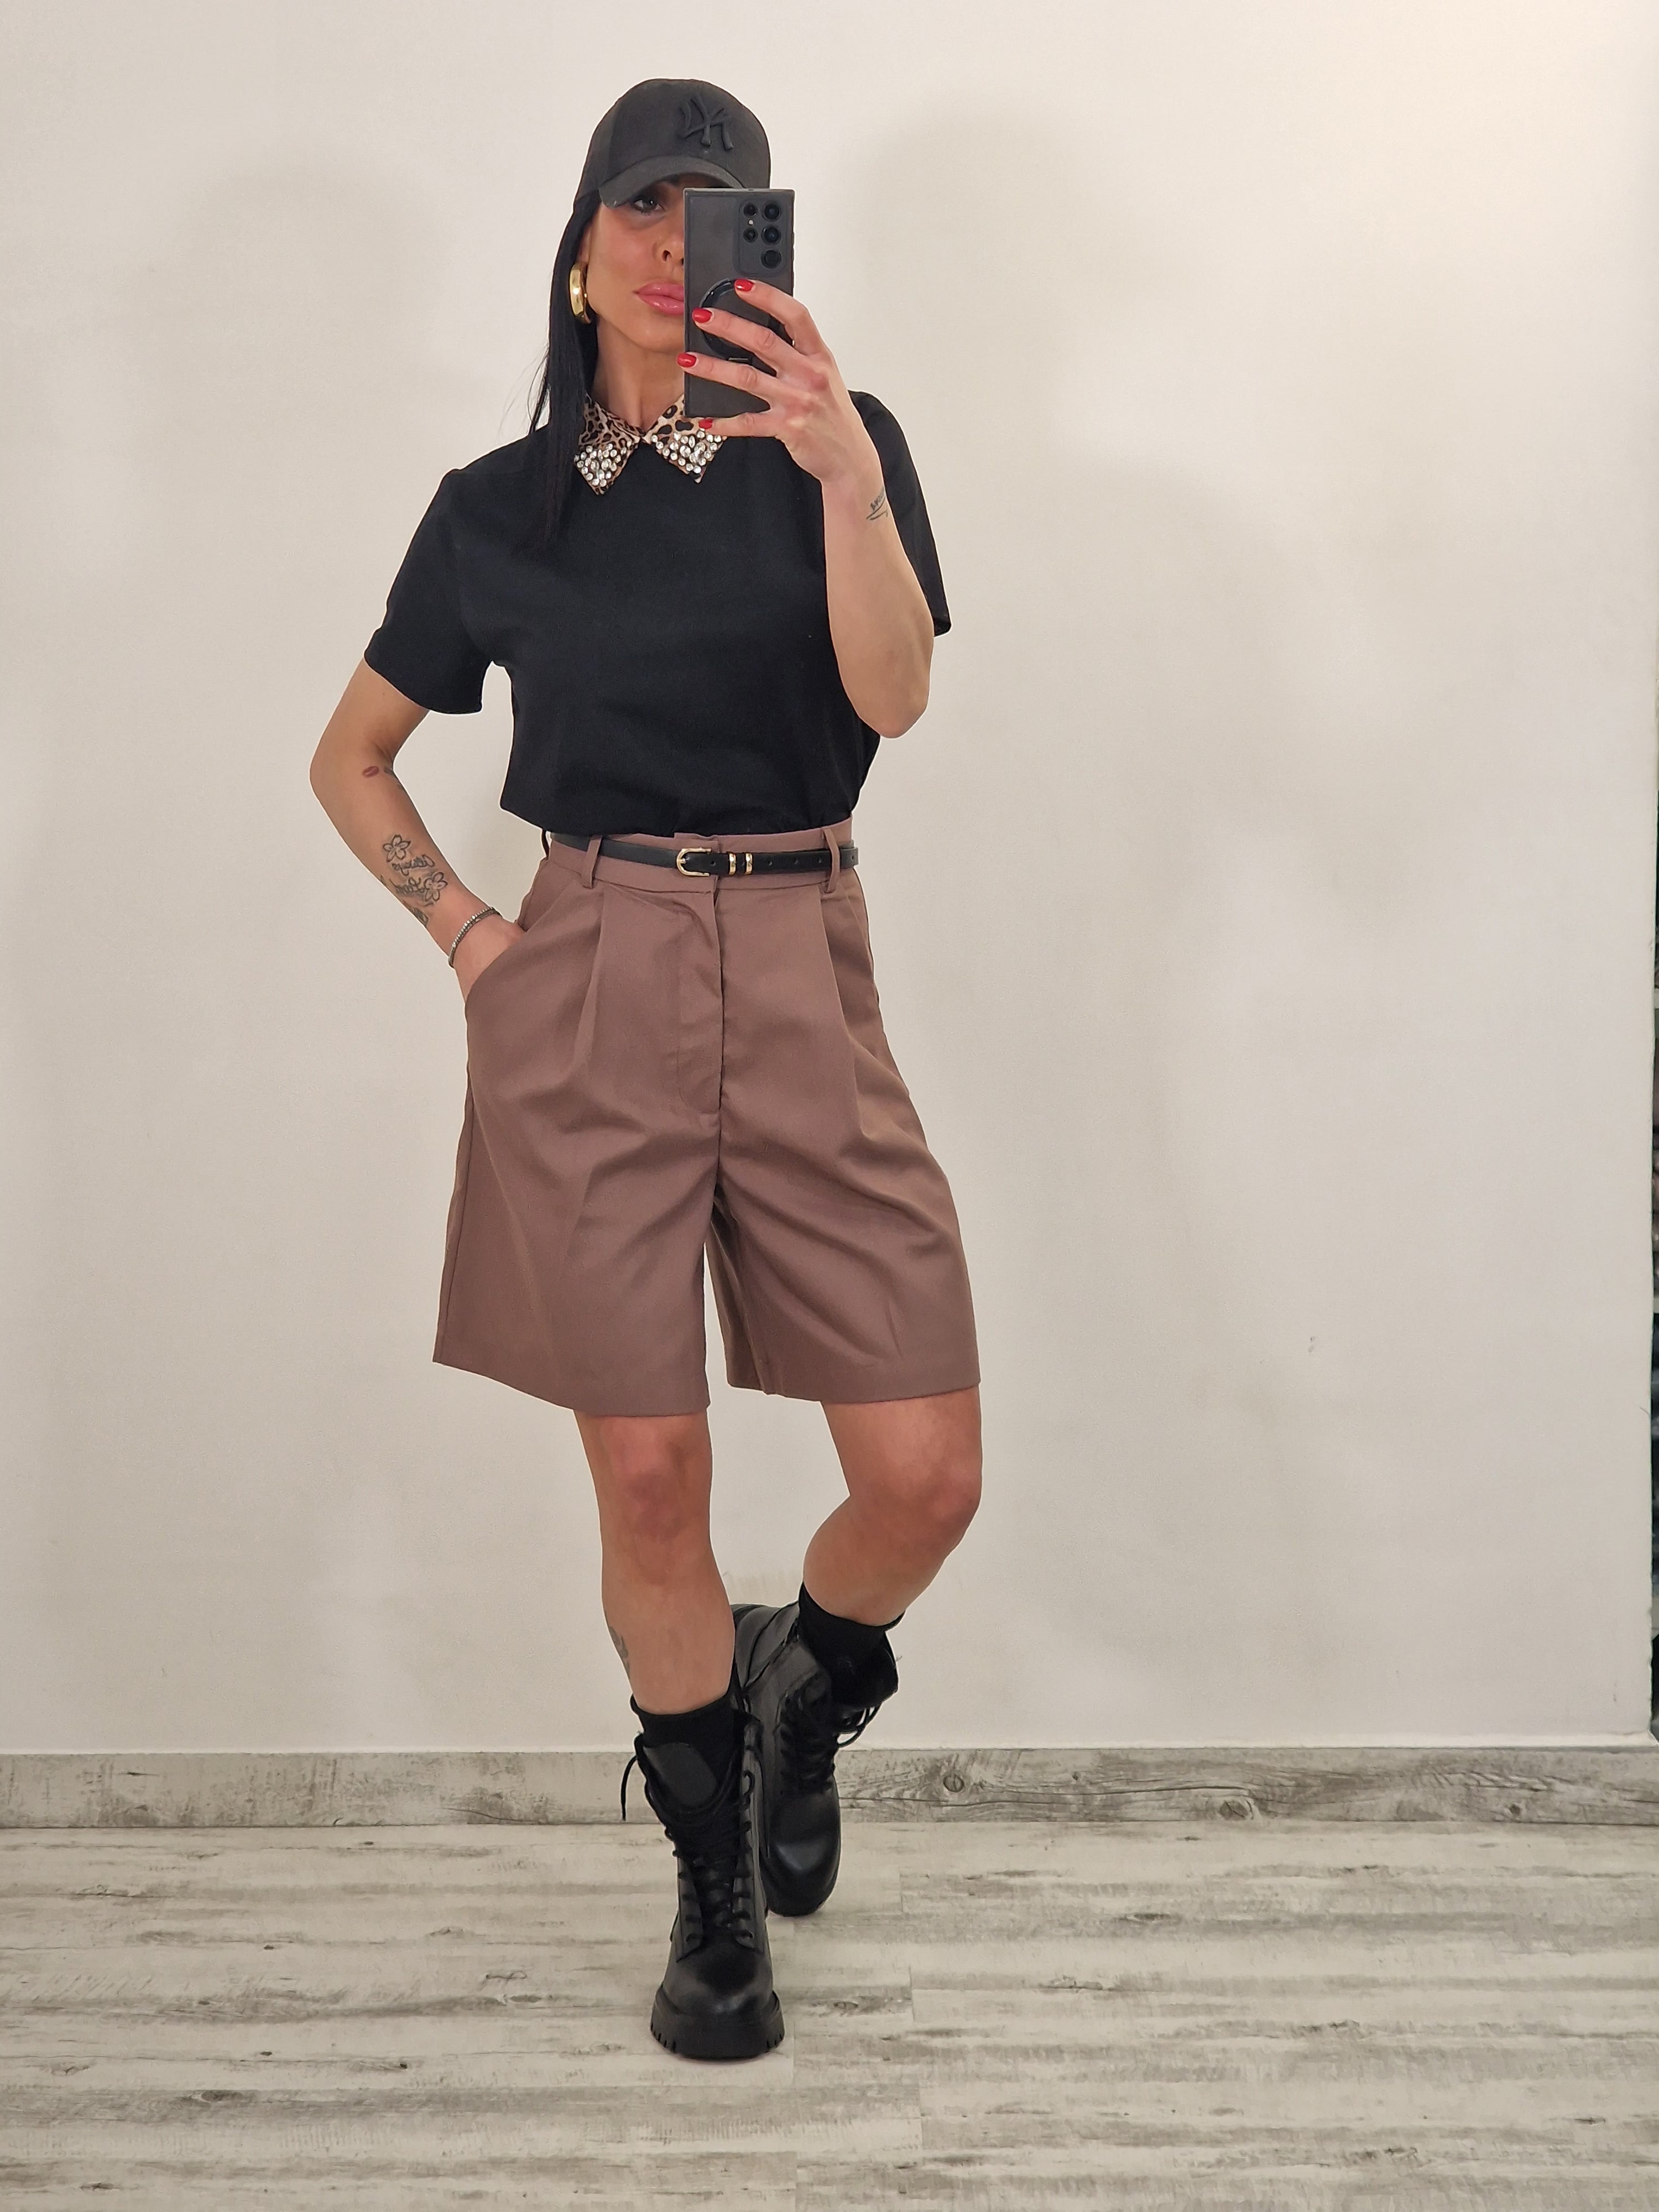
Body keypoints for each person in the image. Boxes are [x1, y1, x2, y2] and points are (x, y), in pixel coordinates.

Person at [309, 78, 983, 2062]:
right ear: (584, 249)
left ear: (761, 247)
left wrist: (848, 479)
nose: (677, 245)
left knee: (926, 1474)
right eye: (643, 209)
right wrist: (473, 937)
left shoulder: (839, 447)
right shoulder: (499, 507)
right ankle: (711, 1892)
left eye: (718, 212)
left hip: (801, 947)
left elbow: (895, 698)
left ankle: (802, 1685)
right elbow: (352, 759)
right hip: (588, 965)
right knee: (651, 1470)